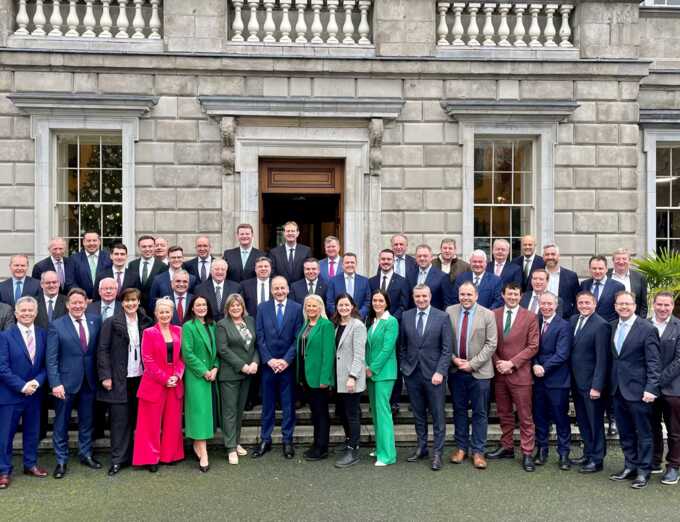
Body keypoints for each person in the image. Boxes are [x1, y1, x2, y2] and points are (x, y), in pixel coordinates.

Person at [97, 288, 153, 476]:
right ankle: (118, 460)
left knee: (143, 421)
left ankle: (145, 457)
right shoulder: (111, 323)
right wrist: (105, 376)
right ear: (122, 303)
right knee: (120, 421)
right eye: (127, 301)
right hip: (119, 379)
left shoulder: (146, 322)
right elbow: (103, 350)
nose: (131, 304)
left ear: (139, 302)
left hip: (142, 378)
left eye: (134, 300)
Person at [47, 288, 102, 479]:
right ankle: (61, 460)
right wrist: (55, 383)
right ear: (68, 305)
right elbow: (51, 358)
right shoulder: (57, 325)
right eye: (74, 303)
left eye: (81, 302)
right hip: (65, 383)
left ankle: (85, 454)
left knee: (87, 421)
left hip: (89, 381)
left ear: (86, 303)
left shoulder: (96, 321)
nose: (78, 306)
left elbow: (97, 352)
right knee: (61, 422)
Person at [608, 291, 661, 489]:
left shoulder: (647, 329)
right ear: (615, 306)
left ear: (635, 305)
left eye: (627, 304)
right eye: (620, 304)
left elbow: (654, 362)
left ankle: (643, 471)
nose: (624, 307)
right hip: (617, 389)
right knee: (625, 431)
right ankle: (630, 465)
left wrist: (651, 388)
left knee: (643, 433)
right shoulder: (612, 326)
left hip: (639, 391)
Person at [486, 282, 540, 473]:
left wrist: (512, 363)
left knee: (525, 416)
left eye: (516, 294)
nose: (513, 297)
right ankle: (507, 446)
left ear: (521, 296)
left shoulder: (530, 316)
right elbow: (489, 342)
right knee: (504, 413)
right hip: (499, 373)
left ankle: (527, 452)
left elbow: (533, 346)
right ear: (503, 295)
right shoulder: (494, 314)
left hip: (520, 374)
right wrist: (499, 362)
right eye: (509, 294)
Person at [400, 284, 452, 471]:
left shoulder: (442, 316)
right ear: (413, 297)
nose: (421, 299)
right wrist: (405, 368)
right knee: (418, 414)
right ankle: (421, 447)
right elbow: (403, 346)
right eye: (417, 296)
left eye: (424, 296)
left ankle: (437, 452)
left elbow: (447, 349)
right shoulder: (406, 316)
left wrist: (440, 371)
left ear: (430, 296)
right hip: (413, 374)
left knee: (438, 415)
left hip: (434, 375)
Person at [446, 281, 497, 470]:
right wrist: (454, 360)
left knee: (480, 412)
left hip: (480, 373)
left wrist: (472, 364)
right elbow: (444, 341)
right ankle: (461, 448)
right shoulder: (449, 311)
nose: (465, 298)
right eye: (462, 294)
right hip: (456, 370)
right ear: (458, 295)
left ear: (476, 296)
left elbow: (491, 344)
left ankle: (478, 451)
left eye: (469, 294)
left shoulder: (488, 314)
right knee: (459, 411)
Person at [0, 297, 48, 490]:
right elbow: (2, 368)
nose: (27, 313)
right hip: (10, 395)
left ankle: (30, 464)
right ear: (16, 313)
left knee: (32, 432)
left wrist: (36, 382)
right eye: (23, 310)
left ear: (36, 313)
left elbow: (47, 364)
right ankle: (3, 471)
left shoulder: (43, 334)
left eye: (30, 310)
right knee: (5, 435)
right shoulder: (5, 336)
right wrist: (21, 386)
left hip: (35, 394)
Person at [253, 276, 303, 459]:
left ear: (288, 289)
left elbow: (298, 336)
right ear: (271, 290)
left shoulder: (297, 308)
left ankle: (287, 440)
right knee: (267, 405)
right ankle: (265, 439)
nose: (280, 291)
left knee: (288, 405)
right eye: (276, 288)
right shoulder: (262, 308)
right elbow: (259, 336)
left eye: (283, 288)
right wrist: (269, 360)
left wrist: (286, 360)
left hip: (287, 367)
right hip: (268, 366)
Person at [132, 298, 185, 472]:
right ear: (155, 313)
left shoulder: (179, 330)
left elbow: (182, 358)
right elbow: (147, 360)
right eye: (161, 312)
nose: (164, 315)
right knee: (149, 424)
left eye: (167, 312)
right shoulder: (148, 332)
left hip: (174, 383)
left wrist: (176, 376)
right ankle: (150, 458)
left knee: (173, 421)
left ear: (172, 313)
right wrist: (164, 378)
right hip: (154, 382)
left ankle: (169, 456)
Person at [570, 291, 610, 473]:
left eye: (587, 302)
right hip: (576, 383)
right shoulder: (573, 321)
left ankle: (597, 458)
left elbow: (603, 359)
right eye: (581, 302)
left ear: (595, 304)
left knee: (595, 422)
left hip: (592, 385)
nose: (584, 305)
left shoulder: (601, 325)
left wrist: (597, 386)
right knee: (583, 421)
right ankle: (588, 452)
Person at [532, 292, 573, 470]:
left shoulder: (564, 325)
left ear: (556, 305)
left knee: (561, 419)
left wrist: (544, 367)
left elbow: (562, 353)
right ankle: (541, 450)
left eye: (550, 304)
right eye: (543, 304)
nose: (546, 307)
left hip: (557, 380)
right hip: (537, 379)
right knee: (539, 417)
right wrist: (534, 364)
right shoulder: (535, 322)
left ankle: (564, 454)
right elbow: (531, 348)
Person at [216, 293, 258, 465]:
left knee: (239, 410)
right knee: (229, 412)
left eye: (238, 305)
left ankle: (237, 441)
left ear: (242, 307)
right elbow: (223, 350)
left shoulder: (250, 321)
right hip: (230, 374)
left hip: (248, 374)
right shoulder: (222, 325)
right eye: (232, 305)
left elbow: (255, 345)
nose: (235, 308)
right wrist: (242, 365)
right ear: (227, 308)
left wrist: (255, 362)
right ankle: (230, 448)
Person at [368, 248, 409, 414]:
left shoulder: (402, 281)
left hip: (394, 326)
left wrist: (388, 317)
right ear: (379, 261)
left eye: (388, 259)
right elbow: (370, 302)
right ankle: (376, 399)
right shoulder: (371, 281)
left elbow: (404, 305)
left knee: (394, 362)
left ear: (393, 261)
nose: (385, 262)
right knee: (376, 356)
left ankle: (394, 401)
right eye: (383, 259)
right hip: (375, 326)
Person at [181, 295, 219, 473]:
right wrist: (204, 371)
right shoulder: (188, 326)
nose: (202, 307)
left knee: (206, 412)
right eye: (198, 305)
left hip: (211, 374)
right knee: (199, 412)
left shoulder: (213, 325)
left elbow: (218, 351)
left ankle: (198, 444)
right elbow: (187, 353)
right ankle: (203, 452)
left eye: (204, 304)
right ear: (192, 308)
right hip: (197, 375)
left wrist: (215, 368)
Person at [297, 294, 335, 461]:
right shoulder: (306, 324)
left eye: (314, 306)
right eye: (308, 306)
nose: (311, 309)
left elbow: (328, 354)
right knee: (315, 412)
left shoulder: (326, 325)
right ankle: (316, 443)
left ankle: (322, 447)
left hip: (319, 378)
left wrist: (325, 379)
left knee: (321, 413)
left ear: (320, 308)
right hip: (307, 376)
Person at [332, 293, 367, 468]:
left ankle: (353, 450)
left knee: (352, 415)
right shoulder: (336, 325)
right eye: (340, 305)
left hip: (350, 379)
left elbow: (359, 355)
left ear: (352, 306)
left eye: (347, 305)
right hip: (338, 379)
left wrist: (353, 377)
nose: (343, 308)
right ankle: (348, 441)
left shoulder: (358, 326)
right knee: (343, 413)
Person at [365, 289, 398, 466]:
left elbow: (387, 349)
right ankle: (380, 448)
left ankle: (388, 456)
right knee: (376, 412)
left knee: (383, 413)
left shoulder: (391, 321)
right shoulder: (374, 322)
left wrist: (372, 369)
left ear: (386, 303)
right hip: (371, 373)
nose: (377, 303)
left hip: (384, 373)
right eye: (374, 300)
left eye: (380, 300)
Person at [654, 291, 680, 485]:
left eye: (667, 305)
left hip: (673, 388)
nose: (663, 309)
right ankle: (655, 460)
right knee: (651, 426)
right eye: (659, 304)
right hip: (648, 389)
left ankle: (673, 466)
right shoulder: (644, 324)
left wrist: (658, 380)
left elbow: (679, 360)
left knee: (674, 430)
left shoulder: (679, 326)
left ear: (672, 307)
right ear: (653, 305)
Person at [149, 246, 197, 312]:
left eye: (179, 257)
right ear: (168, 259)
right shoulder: (158, 279)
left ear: (183, 258)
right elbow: (152, 304)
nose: (176, 260)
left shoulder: (192, 279)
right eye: (173, 257)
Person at [128, 235, 168, 313]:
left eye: (150, 246)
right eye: (144, 246)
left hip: (154, 309)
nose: (147, 249)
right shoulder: (132, 265)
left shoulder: (163, 266)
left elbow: (163, 289)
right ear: (139, 247)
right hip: (135, 308)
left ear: (154, 247)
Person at [407, 244, 454, 311]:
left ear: (431, 257)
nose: (422, 258)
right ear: (416, 258)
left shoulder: (443, 277)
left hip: (434, 318)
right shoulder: (410, 274)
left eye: (425, 256)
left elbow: (447, 303)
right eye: (419, 256)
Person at [580, 255, 625, 323]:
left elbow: (620, 310)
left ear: (606, 269)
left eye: (600, 268)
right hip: (588, 326)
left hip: (608, 327)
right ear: (589, 269)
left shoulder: (618, 287)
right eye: (594, 268)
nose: (597, 271)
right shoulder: (584, 284)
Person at [326, 253, 371, 319]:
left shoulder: (365, 281)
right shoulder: (333, 281)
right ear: (342, 265)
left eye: (352, 262)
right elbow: (330, 302)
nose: (350, 265)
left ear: (356, 264)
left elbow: (367, 302)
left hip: (358, 320)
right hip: (339, 320)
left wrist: (358, 315)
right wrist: (341, 314)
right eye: (347, 262)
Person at [608, 248, 649, 319]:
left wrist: (640, 323)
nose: (621, 262)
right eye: (618, 259)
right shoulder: (605, 275)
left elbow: (643, 305)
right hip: (608, 323)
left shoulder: (639, 277)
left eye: (624, 259)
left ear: (629, 261)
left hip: (632, 322)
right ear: (613, 261)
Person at [70, 232, 112, 300]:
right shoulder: (74, 259)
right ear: (83, 242)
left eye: (94, 240)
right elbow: (71, 281)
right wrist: (82, 297)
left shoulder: (109, 258)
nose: (91, 243)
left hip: (104, 300)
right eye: (88, 241)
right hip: (81, 301)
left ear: (99, 242)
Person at [543, 243, 580, 319]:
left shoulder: (571, 276)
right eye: (547, 254)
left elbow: (577, 300)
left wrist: (572, 319)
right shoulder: (537, 275)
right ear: (543, 257)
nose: (550, 257)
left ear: (558, 256)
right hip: (541, 320)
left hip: (564, 320)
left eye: (553, 254)